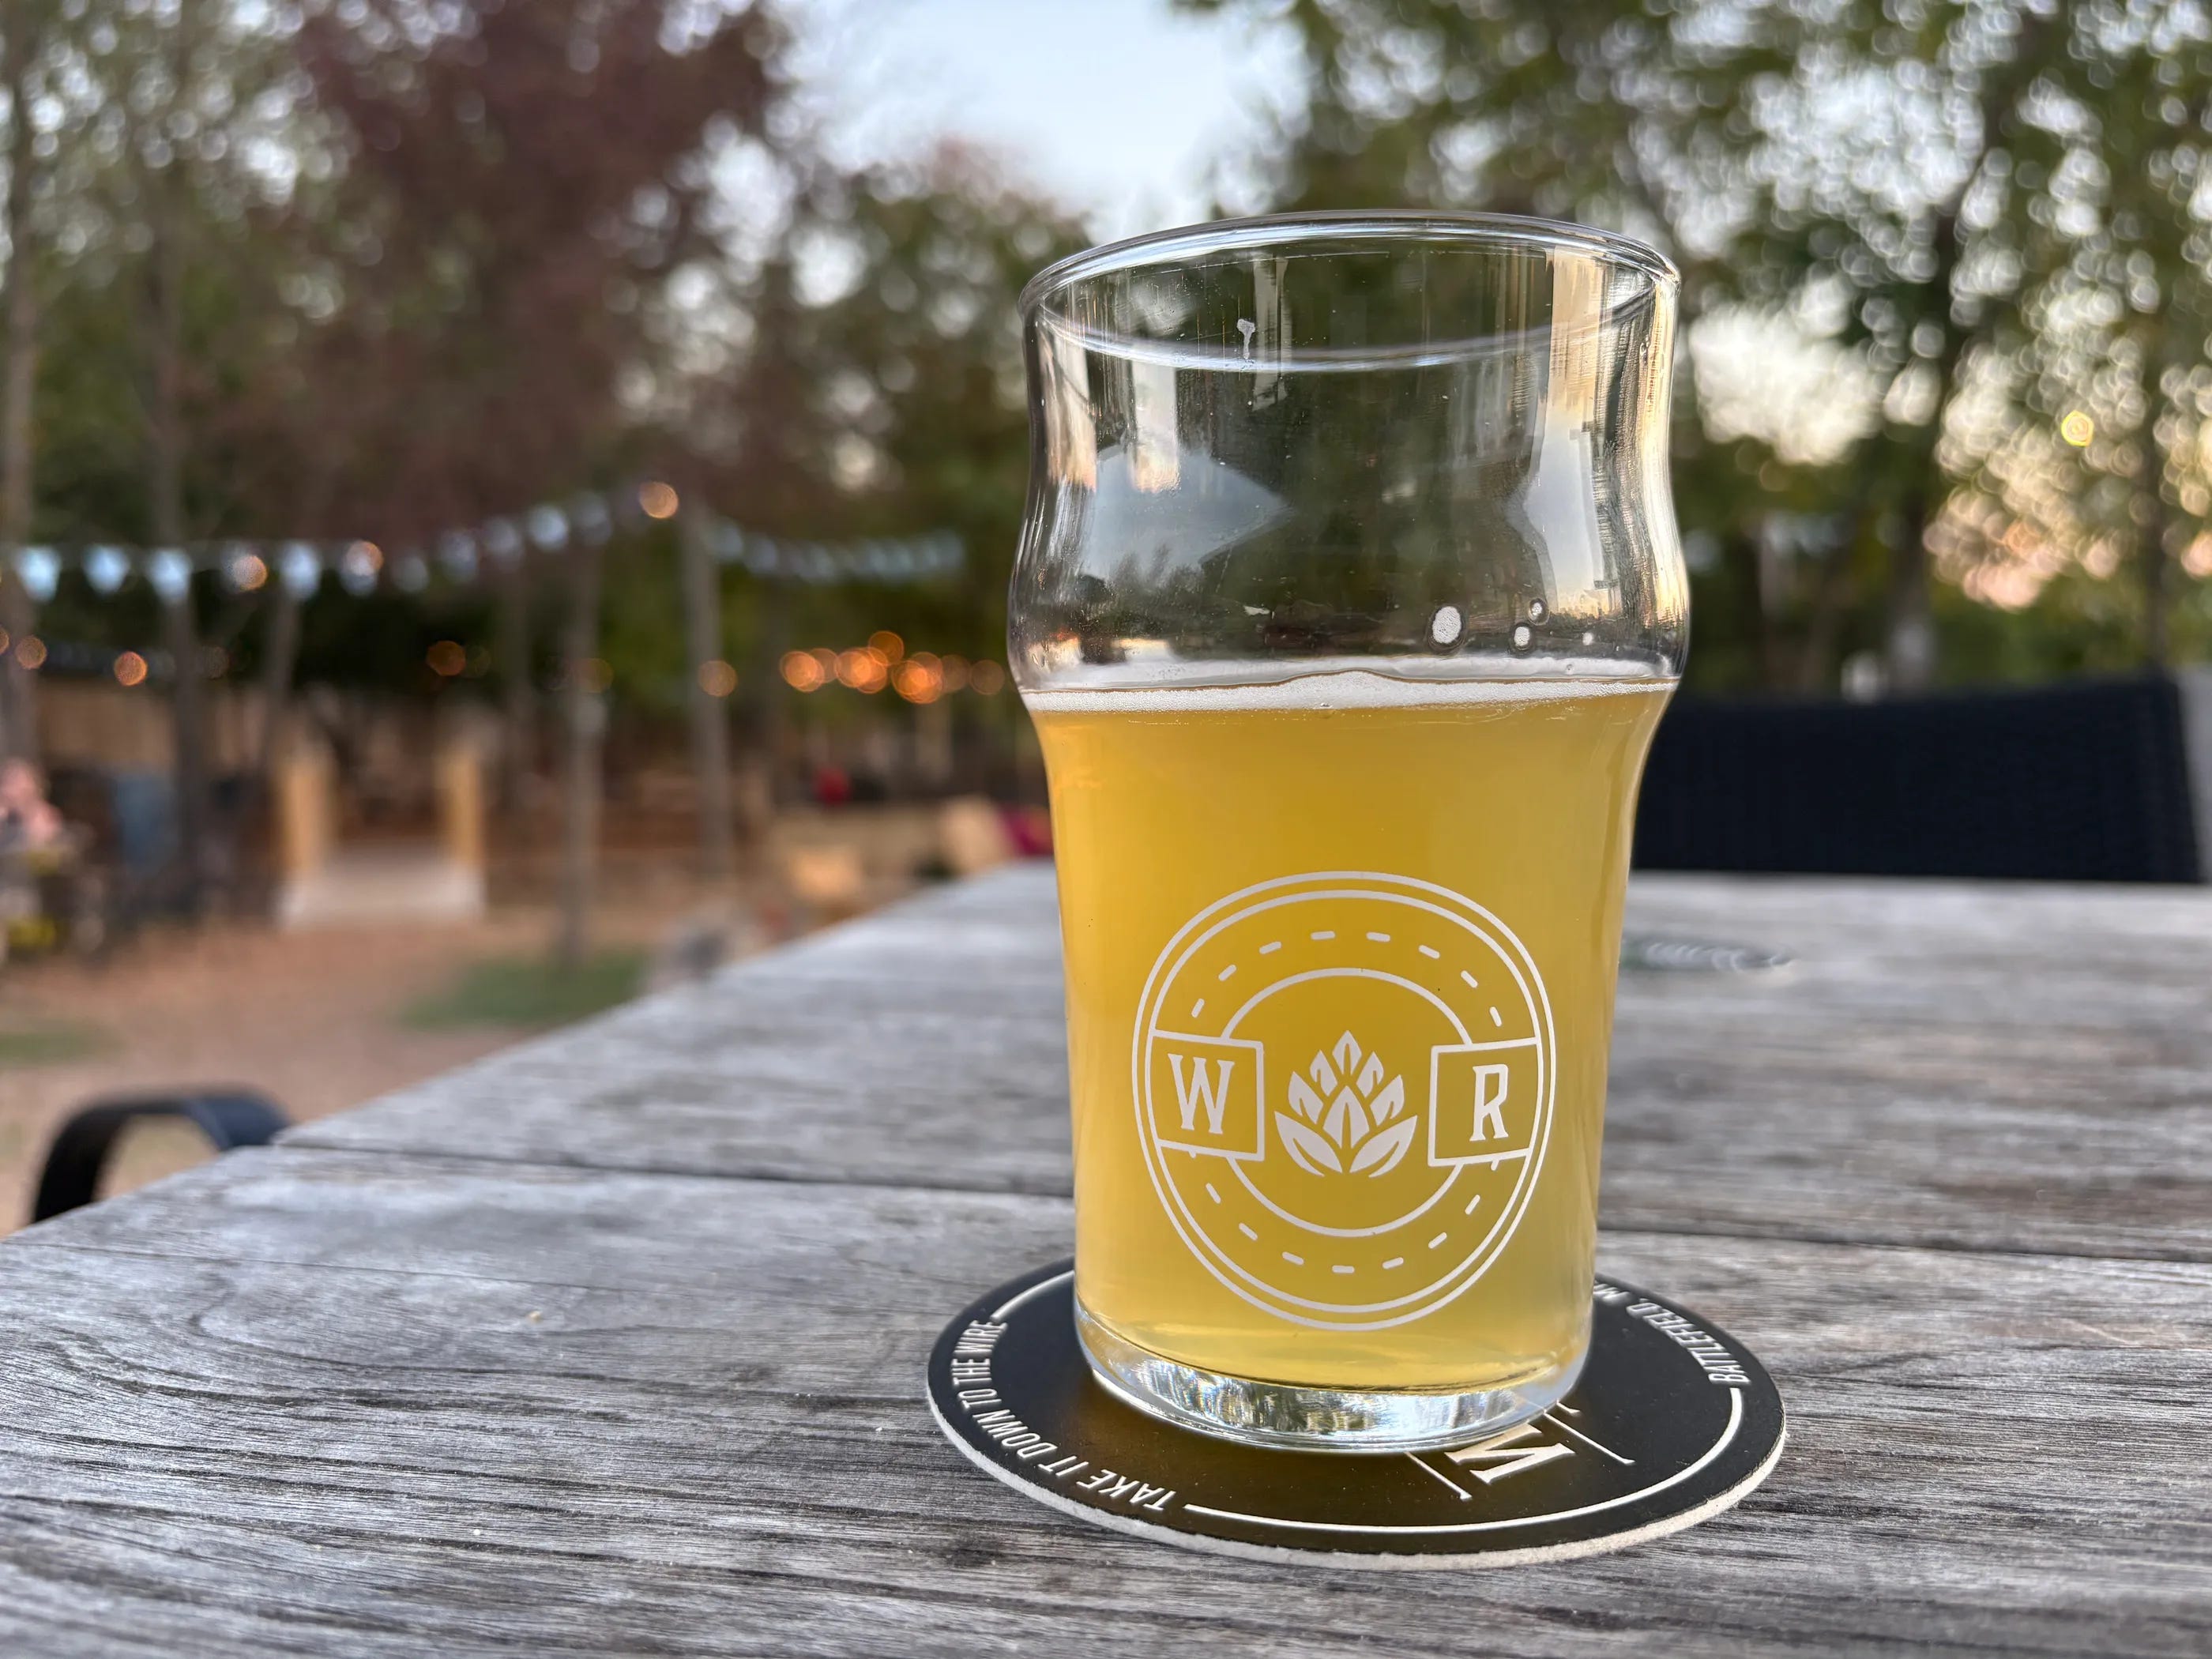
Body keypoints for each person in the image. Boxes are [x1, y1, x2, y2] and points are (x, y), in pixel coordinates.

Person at [0, 758, 65, 852]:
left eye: (15, 782)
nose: (8, 789)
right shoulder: (5, 814)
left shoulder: (46, 816)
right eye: (6, 782)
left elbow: (41, 848)